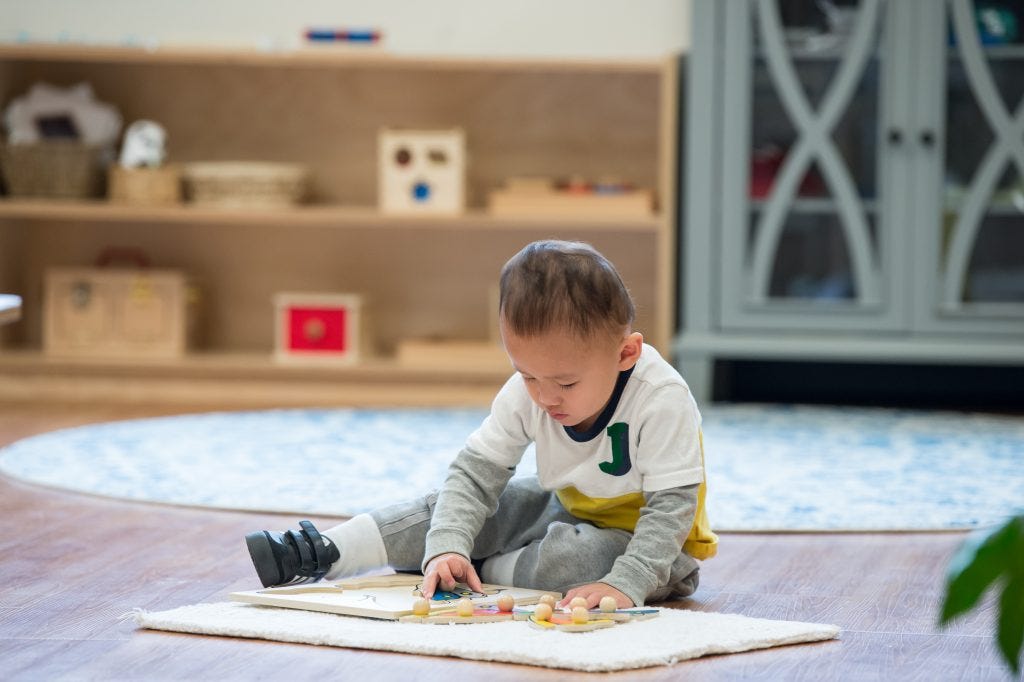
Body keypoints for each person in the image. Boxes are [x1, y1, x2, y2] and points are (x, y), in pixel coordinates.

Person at [245, 240, 717, 609]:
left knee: (577, 561)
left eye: (566, 383)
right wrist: (449, 542)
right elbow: (475, 475)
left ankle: (480, 567)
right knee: (450, 513)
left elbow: (671, 510)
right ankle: (325, 551)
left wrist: (627, 584)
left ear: (625, 354)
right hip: (563, 507)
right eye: (527, 374)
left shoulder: (660, 398)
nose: (544, 396)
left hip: (651, 545)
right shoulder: (531, 390)